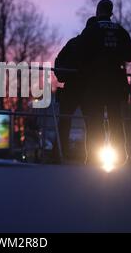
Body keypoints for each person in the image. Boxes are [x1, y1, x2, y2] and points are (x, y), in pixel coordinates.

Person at [76, 0, 131, 165]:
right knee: (116, 120)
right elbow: (130, 55)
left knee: (95, 120)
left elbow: (80, 52)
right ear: (111, 12)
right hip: (116, 82)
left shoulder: (91, 30)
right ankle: (121, 156)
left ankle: (94, 157)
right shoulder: (120, 30)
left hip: (95, 83)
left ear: (97, 11)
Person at [54, 16, 96, 162]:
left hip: (72, 87)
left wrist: (63, 75)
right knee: (93, 123)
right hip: (87, 89)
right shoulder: (94, 46)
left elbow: (59, 61)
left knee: (65, 121)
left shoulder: (73, 42)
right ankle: (92, 157)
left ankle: (59, 154)